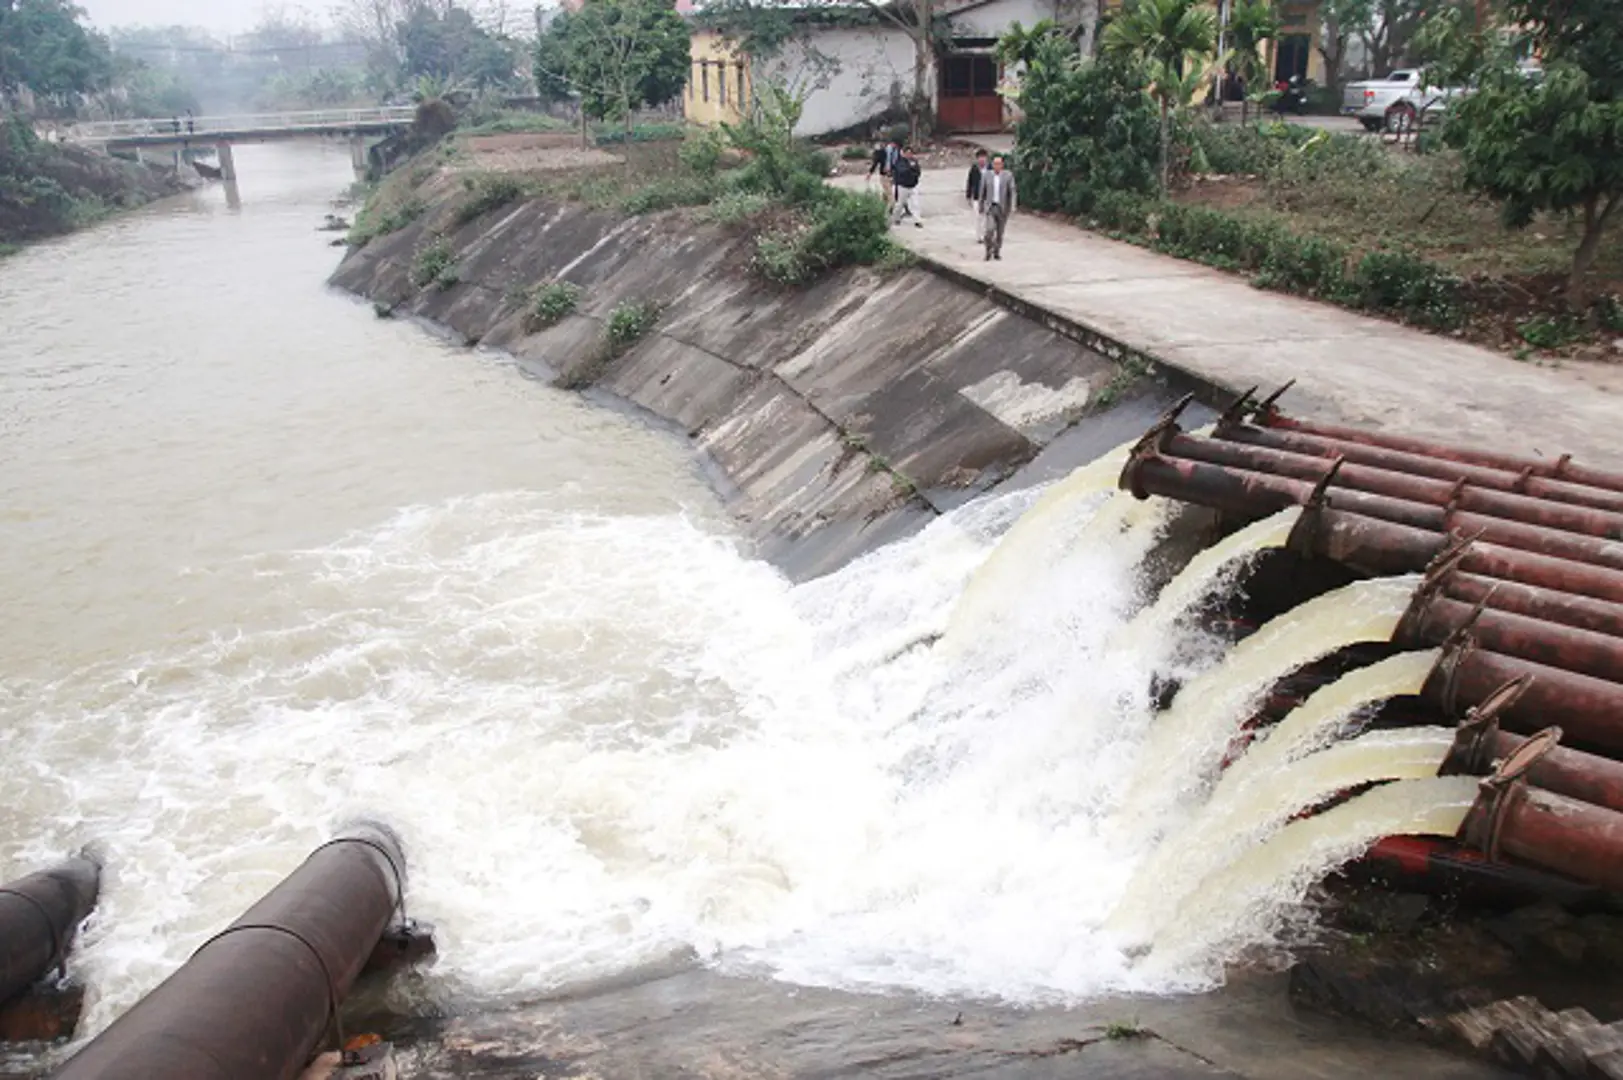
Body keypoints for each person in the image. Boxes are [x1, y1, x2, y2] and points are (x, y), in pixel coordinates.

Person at [978, 154, 1017, 260]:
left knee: (1000, 232)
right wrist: (981, 205)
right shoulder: (987, 175)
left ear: (1002, 165)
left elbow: (1012, 191)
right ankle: (988, 250)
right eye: (995, 164)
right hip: (991, 207)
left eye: (999, 164)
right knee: (989, 230)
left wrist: (1013, 206)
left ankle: (997, 251)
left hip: (1002, 208)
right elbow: (982, 191)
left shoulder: (1008, 176)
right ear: (992, 165)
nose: (997, 166)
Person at [890, 144, 922, 228]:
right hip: (903, 186)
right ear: (903, 153)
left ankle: (917, 220)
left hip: (913, 186)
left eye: (910, 153)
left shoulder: (914, 161)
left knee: (915, 204)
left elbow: (918, 172)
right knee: (899, 204)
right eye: (907, 153)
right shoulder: (899, 162)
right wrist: (911, 168)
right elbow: (902, 172)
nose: (909, 155)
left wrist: (913, 171)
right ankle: (896, 218)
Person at [964, 149, 989, 242]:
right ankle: (979, 236)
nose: (982, 160)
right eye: (980, 158)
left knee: (988, 217)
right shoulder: (974, 169)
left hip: (988, 197)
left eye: (984, 157)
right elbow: (970, 183)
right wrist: (968, 196)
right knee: (979, 217)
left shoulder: (990, 168)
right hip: (977, 197)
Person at [868, 139, 899, 208]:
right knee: (890, 194)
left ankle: (881, 206)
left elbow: (897, 163)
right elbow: (875, 163)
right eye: (893, 144)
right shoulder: (883, 152)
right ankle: (892, 210)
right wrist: (870, 173)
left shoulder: (897, 152)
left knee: (886, 193)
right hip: (884, 175)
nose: (895, 146)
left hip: (892, 175)